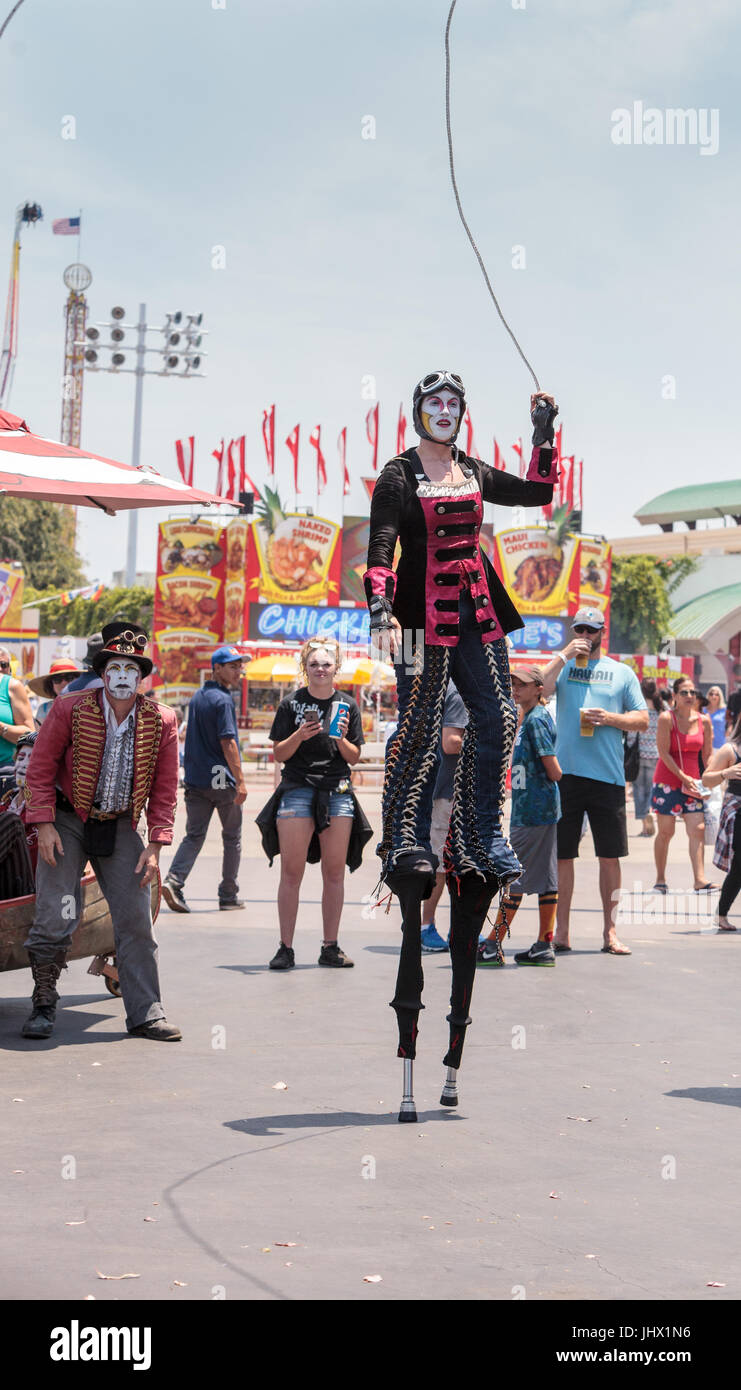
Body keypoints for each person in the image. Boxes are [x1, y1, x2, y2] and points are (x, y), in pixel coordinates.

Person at [364, 370, 559, 1103]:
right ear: (418, 413)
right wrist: (379, 609)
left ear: (462, 414)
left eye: (453, 405)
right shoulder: (398, 474)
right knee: (417, 726)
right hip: (420, 612)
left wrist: (542, 431)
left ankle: (482, 835)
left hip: (474, 604)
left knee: (497, 716)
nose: (443, 413)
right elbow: (381, 548)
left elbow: (538, 494)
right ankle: (405, 837)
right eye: (432, 404)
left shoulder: (474, 471)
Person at [22, 622, 181, 1041]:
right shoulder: (70, 707)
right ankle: (43, 1003)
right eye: (115, 667)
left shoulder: (162, 721)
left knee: (136, 917)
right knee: (55, 911)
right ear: (103, 673)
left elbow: (165, 789)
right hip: (66, 820)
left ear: (142, 676)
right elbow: (39, 769)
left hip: (120, 824)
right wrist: (44, 824)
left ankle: (147, 1012)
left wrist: (156, 844)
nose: (123, 676)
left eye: (132, 668)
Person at [540, 607, 648, 956]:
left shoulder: (621, 672)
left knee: (610, 856)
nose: (585, 635)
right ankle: (562, 932)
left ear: (603, 633)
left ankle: (610, 932)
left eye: (591, 629)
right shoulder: (567, 665)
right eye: (580, 629)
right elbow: (537, 688)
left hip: (607, 776)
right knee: (563, 856)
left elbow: (642, 719)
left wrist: (612, 718)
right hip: (566, 774)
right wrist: (563, 654)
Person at [257, 637, 368, 970]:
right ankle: (285, 947)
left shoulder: (348, 705)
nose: (320, 669)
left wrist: (339, 737)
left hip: (337, 790)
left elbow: (355, 756)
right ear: (305, 668)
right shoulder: (291, 704)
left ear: (336, 667)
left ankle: (330, 946)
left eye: (326, 664)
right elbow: (279, 753)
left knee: (334, 873)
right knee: (291, 872)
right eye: (314, 664)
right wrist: (300, 735)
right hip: (298, 788)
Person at [478, 665, 562, 966]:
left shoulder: (537, 719)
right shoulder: (527, 717)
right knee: (545, 877)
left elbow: (552, 767)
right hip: (534, 808)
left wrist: (552, 774)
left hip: (535, 810)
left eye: (523, 684)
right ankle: (543, 944)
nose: (516, 689)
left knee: (514, 876)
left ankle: (492, 943)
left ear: (539, 688)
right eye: (513, 684)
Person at [163, 645, 247, 913]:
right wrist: (241, 780)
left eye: (239, 666)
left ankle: (174, 880)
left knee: (194, 835)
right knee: (232, 836)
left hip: (197, 779)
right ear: (217, 668)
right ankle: (228, 894)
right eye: (232, 666)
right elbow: (228, 742)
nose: (239, 671)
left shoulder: (199, 696)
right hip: (221, 779)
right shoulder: (222, 700)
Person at [651, 676, 716, 893]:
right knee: (666, 832)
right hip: (668, 782)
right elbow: (663, 752)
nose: (689, 696)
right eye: (684, 692)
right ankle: (660, 879)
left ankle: (700, 880)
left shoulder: (704, 721)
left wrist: (709, 780)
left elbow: (707, 756)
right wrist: (682, 776)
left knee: (697, 829)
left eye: (692, 692)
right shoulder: (666, 718)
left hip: (694, 783)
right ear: (675, 696)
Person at [419, 680, 469, 953]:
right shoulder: (460, 691)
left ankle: (443, 925)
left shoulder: (446, 686)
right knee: (443, 863)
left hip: (446, 788)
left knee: (448, 863)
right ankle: (425, 925)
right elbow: (451, 742)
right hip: (450, 790)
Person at [702, 707, 741, 929]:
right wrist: (726, 773)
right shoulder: (730, 750)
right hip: (738, 814)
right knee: (740, 866)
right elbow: (706, 780)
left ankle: (721, 914)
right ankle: (721, 914)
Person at [0, 730, 39, 872]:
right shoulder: (6, 803)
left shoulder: (50, 810)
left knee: (12, 822)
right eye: (21, 758)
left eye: (32, 759)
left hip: (25, 883)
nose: (23, 764)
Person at [0, 644, 35, 795]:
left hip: (4, 774)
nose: (0, 669)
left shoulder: (11, 686)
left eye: (3, 665)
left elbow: (29, 735)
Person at [632, 678, 662, 836]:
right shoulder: (661, 708)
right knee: (651, 789)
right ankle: (650, 810)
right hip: (656, 755)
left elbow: (632, 732)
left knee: (639, 789)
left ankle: (644, 823)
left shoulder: (639, 707)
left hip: (639, 755)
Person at [29, 658, 81, 728]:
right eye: (57, 679)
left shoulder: (85, 705)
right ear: (51, 684)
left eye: (69, 677)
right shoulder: (43, 709)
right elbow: (40, 736)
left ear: (77, 680)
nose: (64, 683)